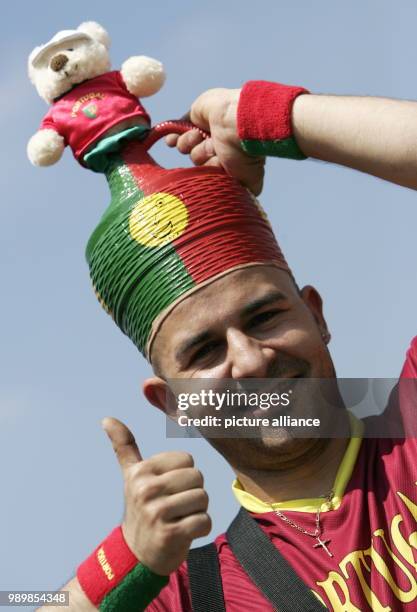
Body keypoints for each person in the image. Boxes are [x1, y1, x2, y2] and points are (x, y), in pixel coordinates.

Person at [39, 81, 417, 611]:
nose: (251, 360)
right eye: (204, 353)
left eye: (264, 317)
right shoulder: (192, 593)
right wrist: (126, 559)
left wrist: (267, 116)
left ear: (316, 313)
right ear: (171, 403)